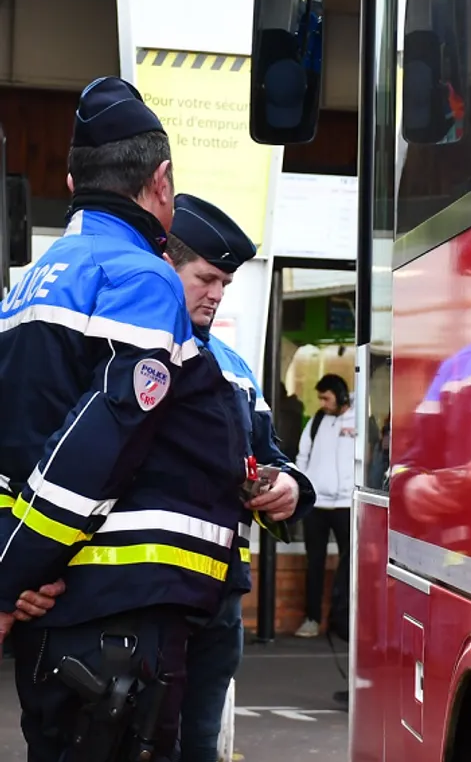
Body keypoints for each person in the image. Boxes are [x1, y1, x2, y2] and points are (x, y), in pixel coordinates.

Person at [0, 77, 254, 761]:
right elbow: (97, 446)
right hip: (118, 621)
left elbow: (15, 445)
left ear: (72, 181)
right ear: (161, 181)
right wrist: (9, 577)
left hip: (56, 617)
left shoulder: (32, 282)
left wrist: (12, 567)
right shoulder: (140, 277)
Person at [162, 193, 316, 762]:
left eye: (225, 283)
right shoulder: (131, 351)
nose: (217, 294)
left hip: (220, 600)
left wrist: (290, 488)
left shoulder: (234, 367)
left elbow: (270, 455)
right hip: (148, 598)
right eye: (206, 279)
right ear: (166, 266)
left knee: (200, 745)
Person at [293, 374, 355, 639]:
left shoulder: (359, 420)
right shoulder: (317, 421)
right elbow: (302, 456)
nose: (322, 403)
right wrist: (304, 489)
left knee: (350, 564)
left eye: (326, 398)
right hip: (317, 505)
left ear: (340, 396)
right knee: (314, 563)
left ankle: (344, 621)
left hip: (346, 505)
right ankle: (312, 618)